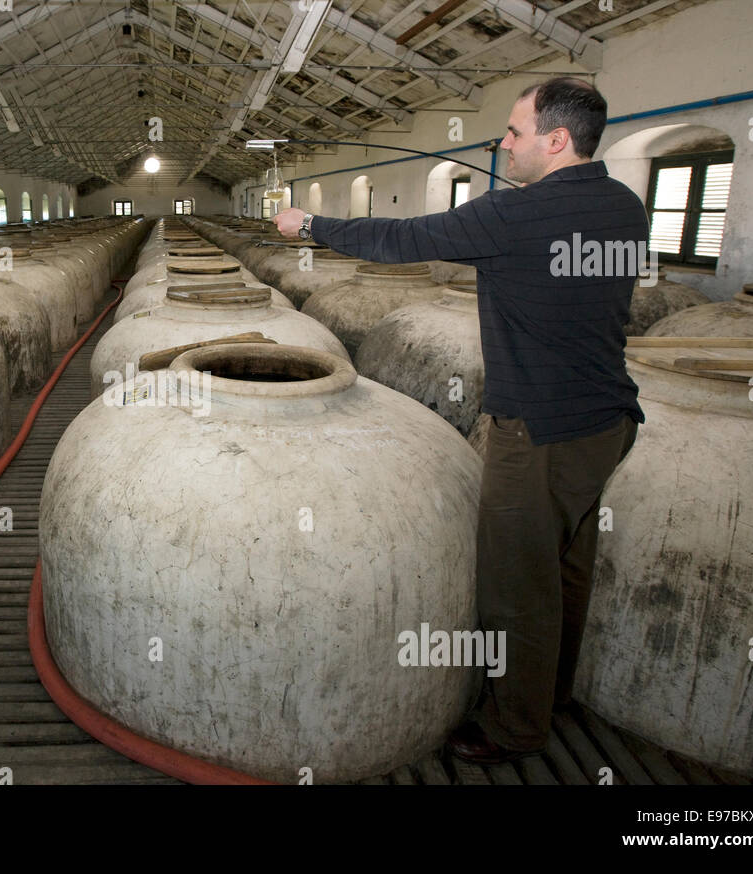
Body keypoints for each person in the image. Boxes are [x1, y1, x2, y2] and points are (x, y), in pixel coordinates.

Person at [274, 77, 645, 764]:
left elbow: (403, 239)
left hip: (537, 429)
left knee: (515, 586)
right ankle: (551, 693)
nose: (503, 145)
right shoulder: (626, 205)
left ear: (557, 140)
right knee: (566, 569)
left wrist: (312, 227)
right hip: (608, 423)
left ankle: (513, 727)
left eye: (515, 132)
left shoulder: (514, 217)